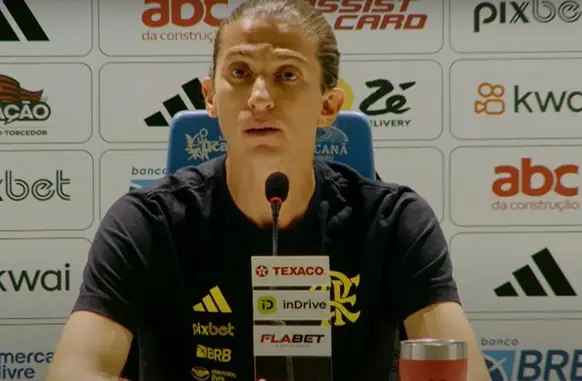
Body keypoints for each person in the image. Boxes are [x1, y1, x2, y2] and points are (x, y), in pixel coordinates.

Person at [47, 0, 491, 380]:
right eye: (240, 72)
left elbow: (462, 369)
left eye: (287, 75)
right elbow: (76, 370)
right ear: (210, 97)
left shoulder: (395, 221)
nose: (260, 96)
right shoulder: (145, 221)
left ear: (327, 105)